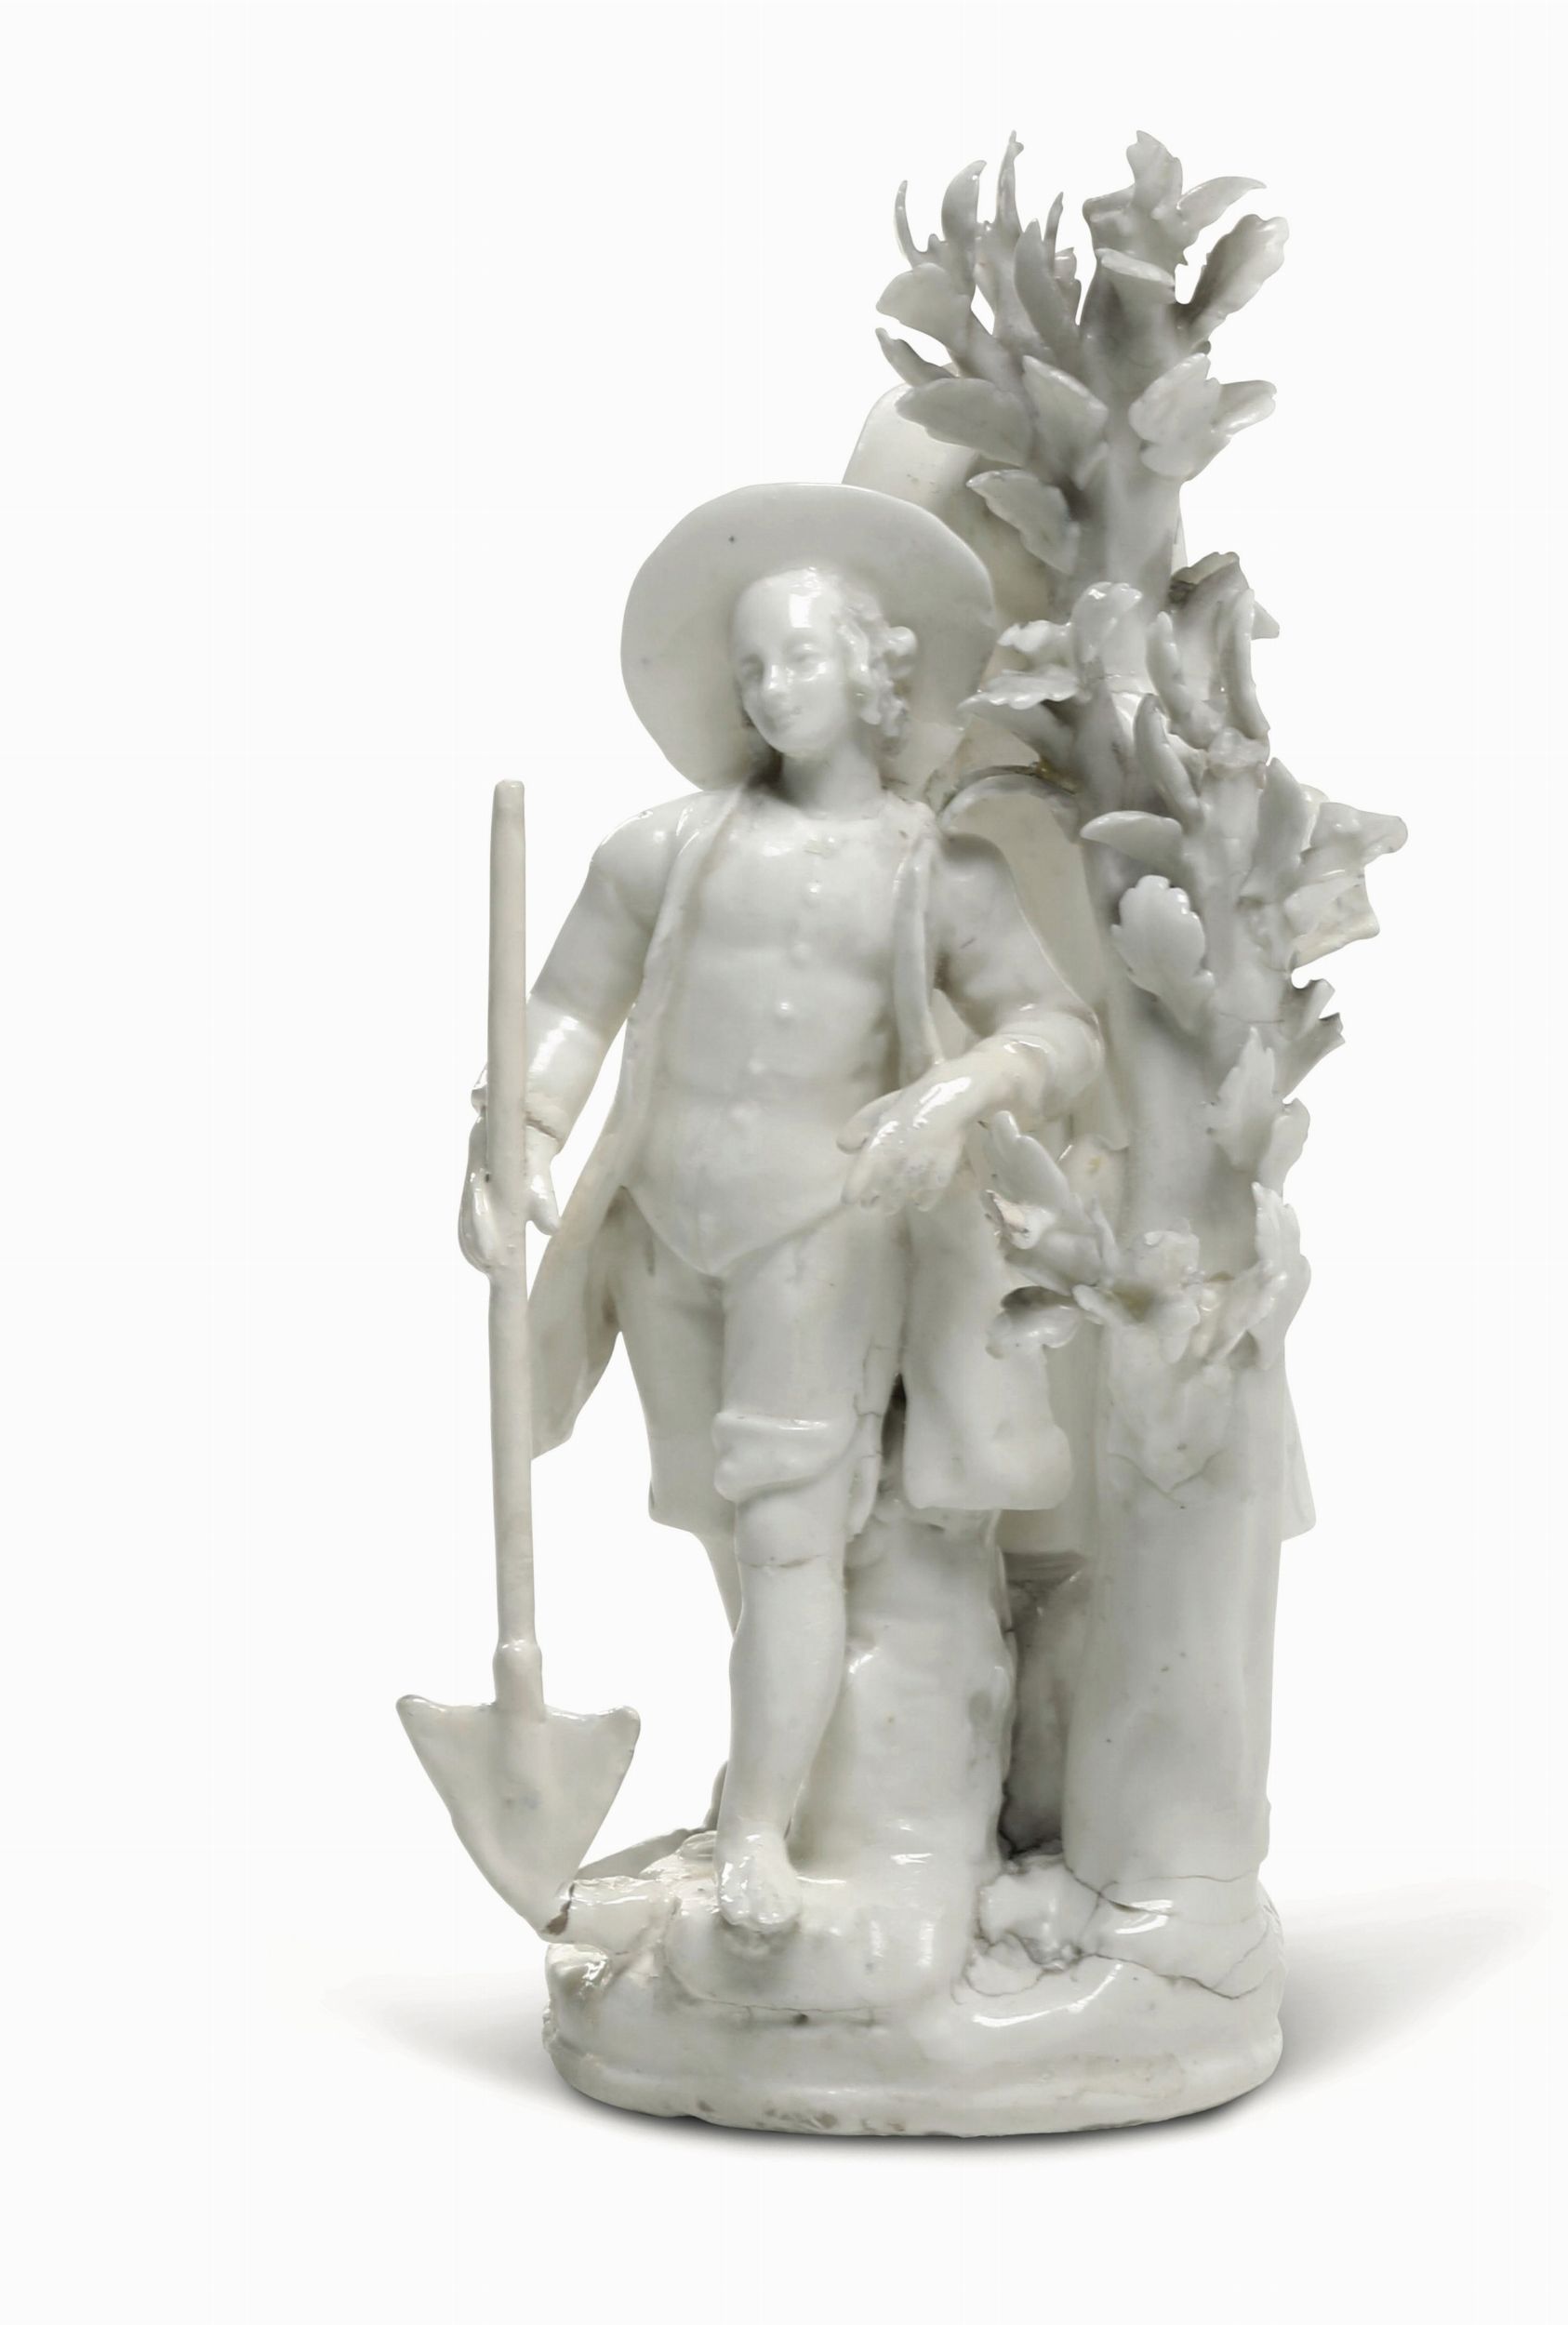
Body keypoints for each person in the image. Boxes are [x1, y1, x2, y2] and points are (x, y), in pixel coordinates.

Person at [459, 485, 1099, 1935]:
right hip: (665, 1232)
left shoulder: (938, 873)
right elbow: (565, 1011)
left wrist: (957, 1096)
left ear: (873, 671)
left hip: (820, 1236)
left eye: (800, 656)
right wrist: (516, 1134)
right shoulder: (662, 849)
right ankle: (787, 1774)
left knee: (793, 1532)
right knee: (716, 1518)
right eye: (751, 664)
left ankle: (761, 1832)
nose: (771, 687)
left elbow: (1058, 1032)